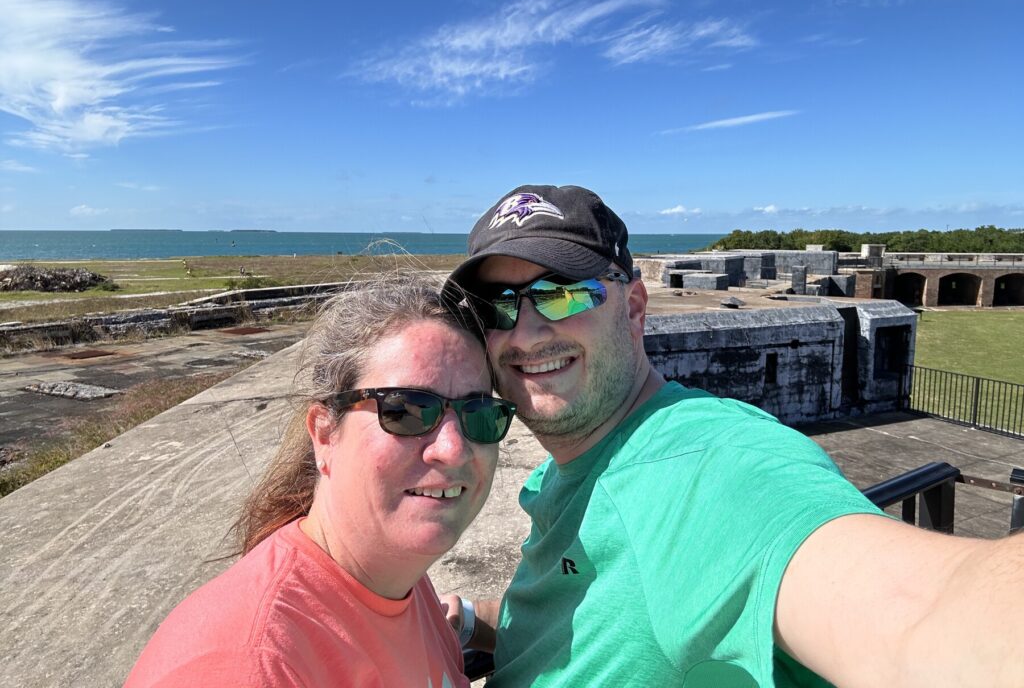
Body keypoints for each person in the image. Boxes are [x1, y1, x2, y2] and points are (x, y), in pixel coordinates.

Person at [442, 185, 1024, 687]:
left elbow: (928, 614)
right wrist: (470, 619)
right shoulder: (564, 472)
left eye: (563, 292)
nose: (525, 331)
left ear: (634, 308)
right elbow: (587, 623)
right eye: (496, 306)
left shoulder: (710, 468)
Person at [125, 279, 516, 687]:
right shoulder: (251, 663)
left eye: (479, 413)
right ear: (325, 434)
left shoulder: (399, 581)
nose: (453, 449)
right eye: (406, 410)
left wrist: (468, 622)